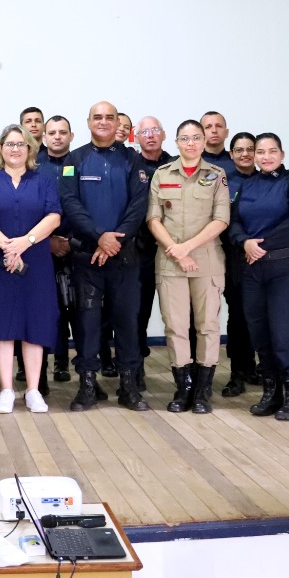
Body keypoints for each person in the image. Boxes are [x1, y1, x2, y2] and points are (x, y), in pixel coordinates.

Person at [57, 102, 150, 412]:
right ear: (88, 122)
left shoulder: (132, 159)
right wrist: (99, 236)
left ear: (118, 123)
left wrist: (114, 239)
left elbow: (139, 206)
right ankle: (87, 387)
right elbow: (70, 203)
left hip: (124, 259)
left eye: (110, 117)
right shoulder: (75, 160)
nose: (104, 122)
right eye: (98, 117)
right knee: (87, 324)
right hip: (87, 260)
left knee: (127, 323)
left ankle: (129, 387)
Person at [0, 125, 64, 413]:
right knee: (3, 324)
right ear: (0, 149)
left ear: (30, 149)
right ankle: (7, 390)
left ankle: (34, 390)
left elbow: (54, 217)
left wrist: (25, 242)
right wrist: (8, 247)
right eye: (10, 144)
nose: (15, 149)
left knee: (34, 323)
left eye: (21, 144)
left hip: (35, 262)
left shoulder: (44, 181)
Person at [146, 120, 231, 414]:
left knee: (207, 326)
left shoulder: (217, 175)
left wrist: (187, 248)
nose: (191, 143)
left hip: (206, 261)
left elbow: (221, 220)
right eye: (185, 138)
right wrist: (178, 251)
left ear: (205, 140)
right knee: (176, 327)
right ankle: (183, 388)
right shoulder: (162, 174)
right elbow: (153, 219)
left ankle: (203, 392)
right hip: (171, 262)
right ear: (177, 142)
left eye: (197, 138)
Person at [229, 134, 289, 421]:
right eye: (260, 152)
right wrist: (244, 242)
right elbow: (234, 220)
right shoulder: (247, 185)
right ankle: (271, 392)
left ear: (282, 153)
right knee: (260, 335)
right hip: (252, 269)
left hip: (284, 269)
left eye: (271, 151)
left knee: (283, 335)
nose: (265, 156)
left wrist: (259, 246)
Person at [130, 116, 172, 392]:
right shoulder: (130, 166)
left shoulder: (176, 165)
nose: (151, 135)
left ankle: (187, 372)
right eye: (145, 131)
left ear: (164, 134)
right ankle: (136, 370)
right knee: (138, 314)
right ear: (136, 136)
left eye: (155, 130)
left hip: (173, 251)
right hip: (141, 253)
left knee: (180, 316)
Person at [219, 132, 261, 398]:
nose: (245, 154)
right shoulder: (223, 183)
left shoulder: (267, 180)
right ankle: (238, 372)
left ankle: (259, 368)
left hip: (262, 258)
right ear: (231, 154)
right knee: (238, 317)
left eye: (250, 149)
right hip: (234, 257)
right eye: (239, 150)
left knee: (261, 317)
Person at [37, 116, 76, 383]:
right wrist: (47, 240)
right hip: (40, 248)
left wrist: (70, 241)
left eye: (63, 132)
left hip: (76, 247)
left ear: (71, 136)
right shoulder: (34, 167)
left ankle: (63, 361)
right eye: (52, 132)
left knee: (72, 310)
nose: (57, 137)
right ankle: (35, 367)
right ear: (43, 137)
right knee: (43, 309)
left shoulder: (81, 163)